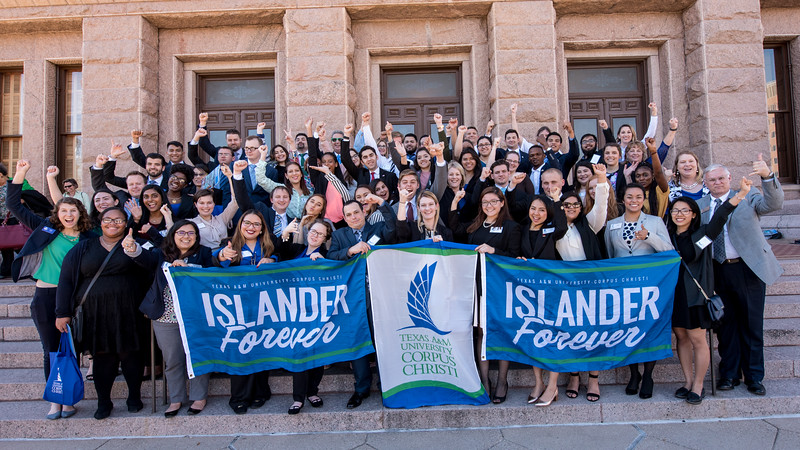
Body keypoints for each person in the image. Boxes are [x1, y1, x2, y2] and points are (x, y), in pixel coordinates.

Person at [7, 160, 93, 419]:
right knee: (51, 350)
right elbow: (13, 205)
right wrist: (21, 173)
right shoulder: (47, 229)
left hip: (74, 299)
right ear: (58, 213)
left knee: (72, 349)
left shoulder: (89, 237)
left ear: (80, 214)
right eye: (64, 211)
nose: (68, 215)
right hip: (45, 296)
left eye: (73, 211)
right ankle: (56, 400)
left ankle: (68, 399)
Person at [698, 155, 784, 396]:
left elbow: (774, 203)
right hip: (717, 270)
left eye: (721, 178)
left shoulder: (748, 195)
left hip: (748, 269)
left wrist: (767, 176)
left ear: (729, 178)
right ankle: (729, 374)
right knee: (725, 326)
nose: (717, 183)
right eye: (712, 180)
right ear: (706, 183)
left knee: (751, 324)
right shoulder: (702, 205)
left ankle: (754, 376)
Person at [55, 207, 150, 420]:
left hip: (130, 310)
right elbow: (66, 280)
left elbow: (153, 266)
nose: (113, 223)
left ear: (126, 223)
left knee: (131, 355)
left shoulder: (137, 245)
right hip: (95, 313)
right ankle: (103, 401)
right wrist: (62, 312)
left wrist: (135, 252)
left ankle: (134, 397)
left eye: (118, 220)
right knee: (102, 357)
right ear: (100, 222)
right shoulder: (83, 247)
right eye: (108, 219)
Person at [666, 180, 749, 405]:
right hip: (675, 296)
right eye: (675, 210)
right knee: (681, 338)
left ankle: (699, 384)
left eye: (685, 210)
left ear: (694, 214)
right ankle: (687, 381)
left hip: (697, 296)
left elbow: (721, 215)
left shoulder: (704, 233)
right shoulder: (668, 236)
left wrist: (740, 194)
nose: (679, 214)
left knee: (697, 339)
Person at [123, 220, 214, 416]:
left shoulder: (204, 253)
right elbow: (143, 259)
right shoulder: (160, 253)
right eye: (181, 233)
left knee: (197, 356)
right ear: (173, 235)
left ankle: (199, 397)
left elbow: (211, 275)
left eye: (191, 233)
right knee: (173, 359)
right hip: (166, 316)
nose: (186, 236)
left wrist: (188, 268)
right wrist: (132, 248)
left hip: (196, 316)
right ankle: (176, 399)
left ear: (196, 237)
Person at [449, 187, 520, 403]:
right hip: (476, 287)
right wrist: (454, 203)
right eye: (484, 202)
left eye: (493, 201)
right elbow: (454, 229)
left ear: (501, 203)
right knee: (480, 333)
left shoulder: (511, 227)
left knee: (500, 332)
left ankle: (502, 380)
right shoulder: (476, 226)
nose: (489, 206)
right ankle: (484, 380)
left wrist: (494, 251)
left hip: (499, 289)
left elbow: (515, 257)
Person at [605, 183, 674, 399]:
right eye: (629, 197)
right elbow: (610, 254)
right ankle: (633, 374)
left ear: (643, 199)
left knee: (647, 329)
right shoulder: (612, 225)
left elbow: (669, 251)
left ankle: (648, 375)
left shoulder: (654, 221)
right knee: (628, 330)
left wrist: (649, 237)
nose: (633, 200)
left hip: (649, 287)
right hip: (622, 288)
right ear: (623, 200)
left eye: (638, 197)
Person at [327, 198, 396, 409]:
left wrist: (383, 203)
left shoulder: (378, 228)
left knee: (383, 341)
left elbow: (394, 227)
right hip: (354, 299)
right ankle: (361, 389)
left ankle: (388, 386)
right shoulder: (340, 235)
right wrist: (350, 251)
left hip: (380, 294)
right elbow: (331, 258)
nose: (353, 217)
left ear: (363, 212)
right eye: (348, 215)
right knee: (359, 343)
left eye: (356, 212)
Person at [215, 210, 276, 414]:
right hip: (237, 307)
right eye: (247, 223)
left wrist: (272, 260)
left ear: (262, 228)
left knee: (261, 349)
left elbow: (284, 262)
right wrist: (222, 256)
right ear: (240, 224)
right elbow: (214, 262)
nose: (251, 227)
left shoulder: (269, 245)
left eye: (256, 224)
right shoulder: (228, 243)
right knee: (240, 350)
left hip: (263, 306)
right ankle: (240, 396)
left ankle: (260, 392)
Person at [557, 168, 609, 402]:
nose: (571, 208)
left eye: (575, 204)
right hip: (566, 290)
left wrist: (601, 179)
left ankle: (594, 379)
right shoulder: (554, 229)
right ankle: (575, 376)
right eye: (566, 205)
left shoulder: (589, 224)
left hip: (591, 288)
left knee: (593, 333)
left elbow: (601, 205)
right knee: (572, 333)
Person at [517, 189, 568, 408]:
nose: (536, 213)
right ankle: (538, 383)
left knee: (553, 336)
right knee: (534, 337)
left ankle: (552, 385)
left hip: (551, 291)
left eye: (541, 210)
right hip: (529, 292)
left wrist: (556, 201)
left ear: (548, 212)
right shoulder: (521, 229)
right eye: (533, 209)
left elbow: (563, 226)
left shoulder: (551, 229)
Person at [276, 219, 332, 414]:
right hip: (294, 310)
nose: (315, 235)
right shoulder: (296, 249)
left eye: (320, 234)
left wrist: (323, 264)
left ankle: (312, 392)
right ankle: (298, 398)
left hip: (317, 311)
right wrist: (285, 234)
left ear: (326, 239)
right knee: (299, 353)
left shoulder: (326, 255)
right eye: (313, 231)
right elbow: (280, 252)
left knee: (316, 352)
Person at [190, 166, 238, 249]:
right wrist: (167, 215)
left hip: (224, 256)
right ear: (195, 204)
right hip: (205, 258)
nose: (206, 206)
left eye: (209, 203)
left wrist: (230, 178)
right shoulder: (191, 223)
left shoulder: (222, 218)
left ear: (214, 204)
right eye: (202, 203)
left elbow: (235, 202)